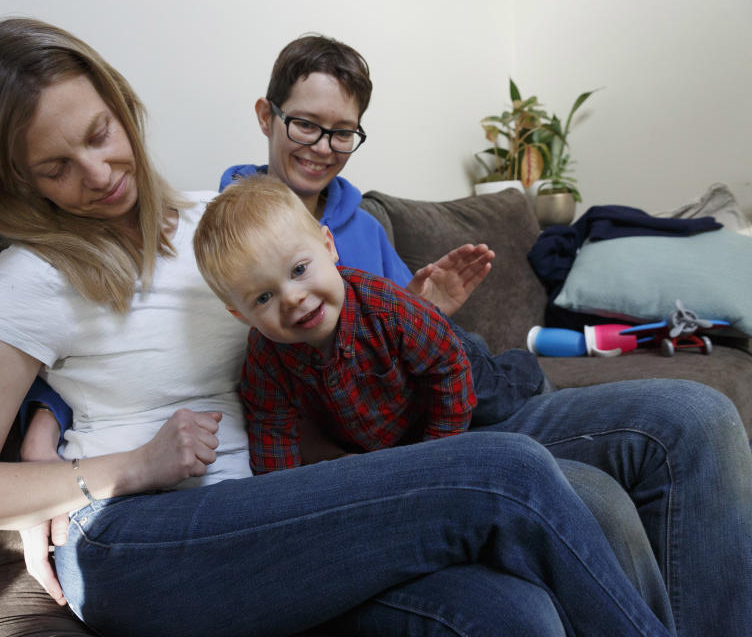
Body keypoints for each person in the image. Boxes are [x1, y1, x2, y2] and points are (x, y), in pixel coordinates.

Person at [0, 17, 675, 637]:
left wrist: (409, 314)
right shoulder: (29, 278)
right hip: (143, 535)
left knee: (522, 605)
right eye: (55, 167)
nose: (99, 172)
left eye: (99, 133)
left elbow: (313, 325)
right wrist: (117, 469)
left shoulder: (223, 222)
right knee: (506, 472)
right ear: (13, 181)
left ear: (121, 105)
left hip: (291, 504)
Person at [215, 32, 752, 637]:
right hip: (424, 453)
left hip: (465, 398)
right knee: (597, 500)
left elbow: (422, 349)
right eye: (305, 126)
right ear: (267, 115)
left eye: (342, 132)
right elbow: (285, 424)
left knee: (700, 415)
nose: (323, 147)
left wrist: (425, 307)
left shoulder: (359, 221)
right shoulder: (220, 237)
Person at [194, 175, 476, 473]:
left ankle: (521, 367)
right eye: (264, 297)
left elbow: (449, 366)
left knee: (500, 390)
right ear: (241, 315)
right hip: (382, 435)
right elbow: (273, 433)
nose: (292, 298)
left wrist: (438, 455)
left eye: (299, 269)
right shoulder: (265, 360)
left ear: (328, 246)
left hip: (455, 364)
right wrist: (282, 500)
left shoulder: (384, 306)